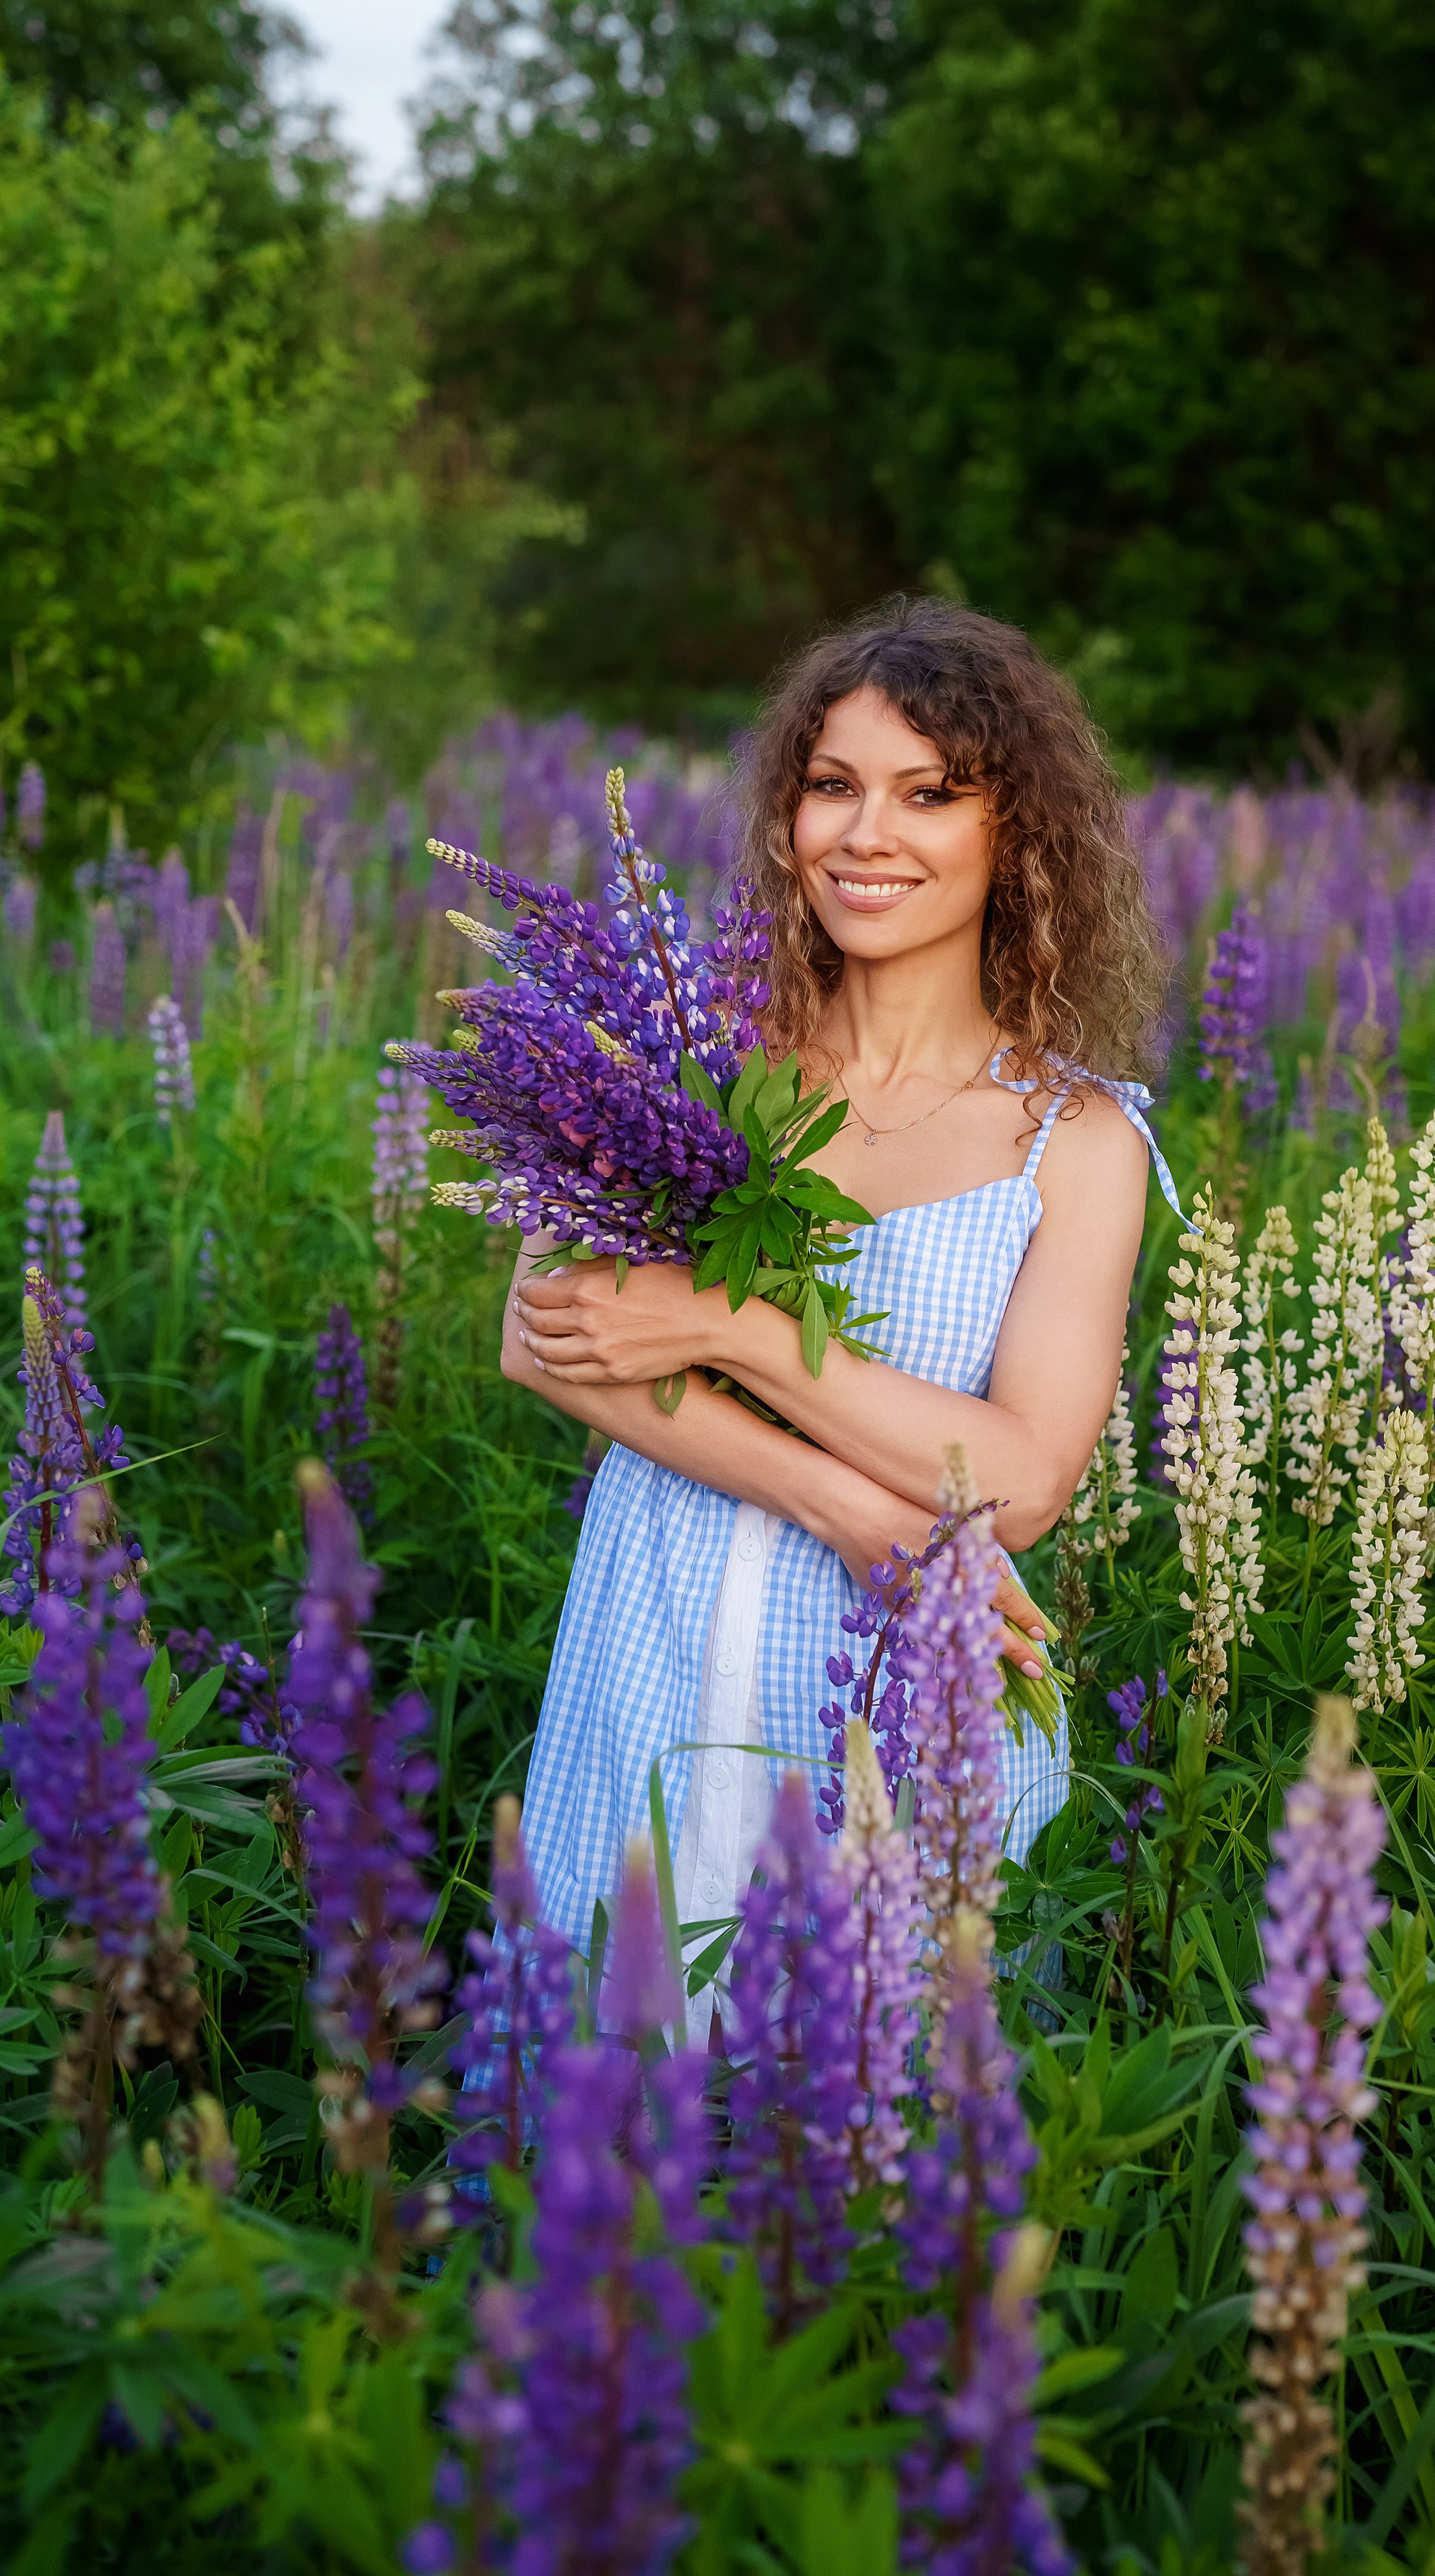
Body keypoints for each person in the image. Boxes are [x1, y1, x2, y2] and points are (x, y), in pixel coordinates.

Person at [502, 598, 1178, 1971]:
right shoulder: (691, 1057)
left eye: (929, 795)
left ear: (1015, 834)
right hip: (651, 1636)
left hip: (904, 1692)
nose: (867, 835)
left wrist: (722, 1326)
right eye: (832, 786)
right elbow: (541, 1337)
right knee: (613, 2058)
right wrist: (849, 1508)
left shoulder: (1075, 1139)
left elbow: (1020, 1484)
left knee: (881, 2063)